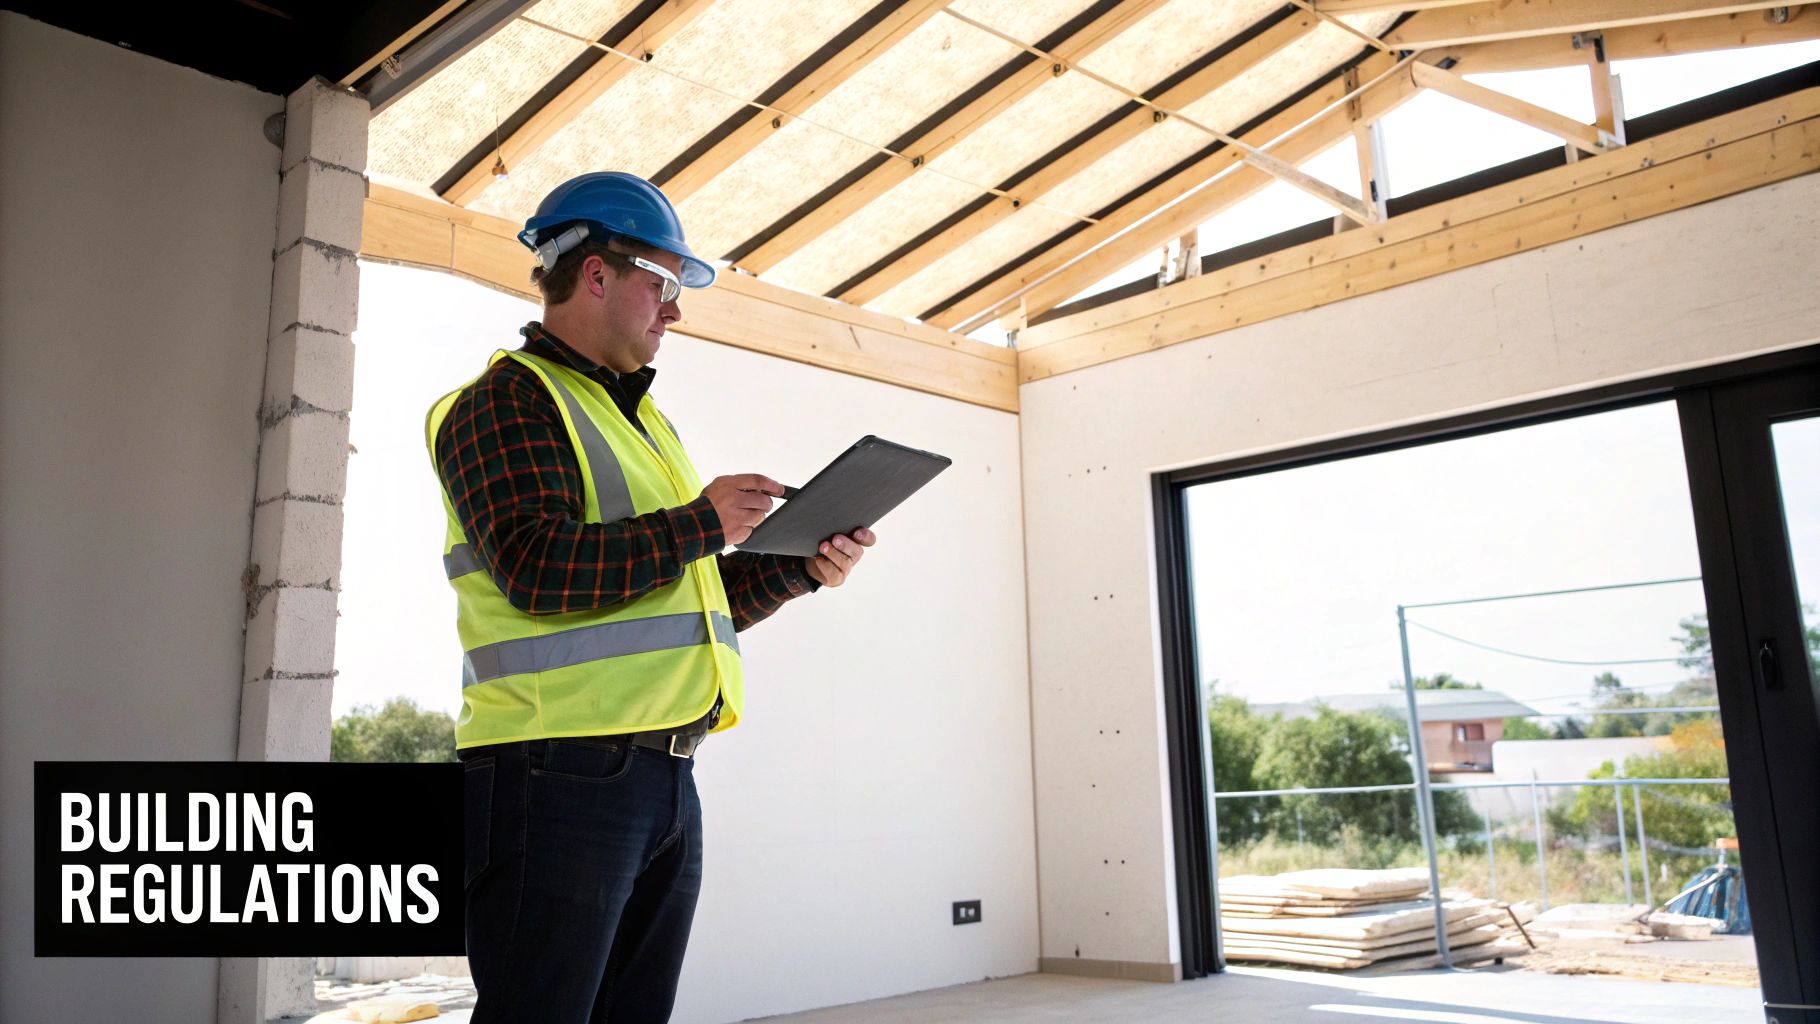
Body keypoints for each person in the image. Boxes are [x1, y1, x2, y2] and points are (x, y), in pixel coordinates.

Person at [425, 171, 876, 1023]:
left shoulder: (640, 421)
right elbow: (536, 566)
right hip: (557, 774)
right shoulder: (503, 403)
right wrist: (702, 521)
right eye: (663, 285)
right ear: (597, 273)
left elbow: (687, 598)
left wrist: (800, 567)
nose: (674, 311)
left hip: (662, 777)